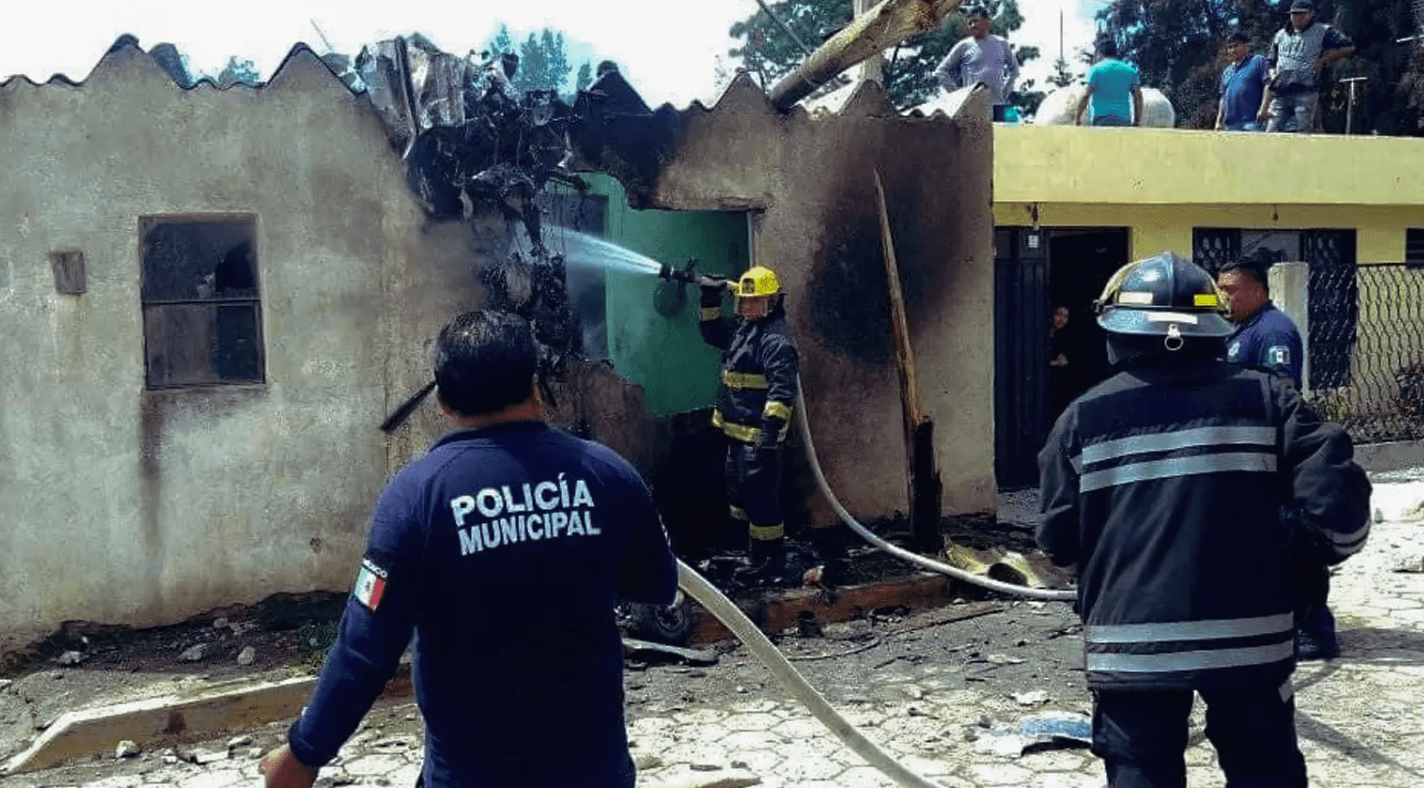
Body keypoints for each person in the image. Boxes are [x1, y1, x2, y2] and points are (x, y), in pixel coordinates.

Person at [260, 310, 678, 788]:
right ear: (535, 388)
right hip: (595, 773)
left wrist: (304, 753)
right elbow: (657, 585)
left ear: (442, 401)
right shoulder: (608, 475)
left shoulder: (416, 497)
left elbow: (365, 648)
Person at [1038, 252, 1371, 788]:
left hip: (1131, 647)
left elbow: (1058, 541)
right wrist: (1297, 563)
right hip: (1252, 641)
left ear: (1118, 334)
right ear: (1216, 329)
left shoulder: (1081, 419)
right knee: (1265, 773)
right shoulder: (1269, 400)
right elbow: (1340, 514)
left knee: (1141, 774)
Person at [1216, 255, 1339, 660]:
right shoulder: (1240, 329)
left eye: (1230, 289)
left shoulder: (1273, 330)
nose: (1223, 297)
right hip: (1247, 451)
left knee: (1293, 541)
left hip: (1273, 452)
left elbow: (1282, 393)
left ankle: (1315, 630)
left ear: (1256, 290)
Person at [700, 265, 800, 585]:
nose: (746, 306)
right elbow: (712, 333)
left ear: (771, 302)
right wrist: (709, 298)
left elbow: (781, 395)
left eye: (753, 301)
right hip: (736, 435)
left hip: (758, 439)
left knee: (760, 501)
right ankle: (748, 552)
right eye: (743, 300)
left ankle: (769, 559)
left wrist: (768, 437)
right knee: (739, 497)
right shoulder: (743, 329)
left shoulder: (775, 341)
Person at [1257, 0, 1355, 133]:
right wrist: (1273, 75)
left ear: (1311, 14)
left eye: (1302, 14)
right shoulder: (1280, 35)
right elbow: (1271, 61)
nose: (1297, 17)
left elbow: (1348, 46)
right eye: (1294, 14)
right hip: (1281, 91)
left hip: (1306, 89)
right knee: (1272, 130)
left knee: (1304, 130)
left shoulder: (1322, 31)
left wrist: (1324, 60)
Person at [932, 4, 1021, 122]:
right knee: (977, 133)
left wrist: (1006, 90)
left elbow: (1015, 70)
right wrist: (958, 96)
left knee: (1016, 127)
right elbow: (940, 71)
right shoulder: (964, 45)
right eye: (970, 23)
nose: (973, 25)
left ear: (987, 21)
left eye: (976, 21)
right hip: (973, 107)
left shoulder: (1002, 43)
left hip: (999, 103)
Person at [1075, 39, 1143, 127]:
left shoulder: (1094, 70)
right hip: (1124, 118)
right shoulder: (1131, 71)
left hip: (1100, 118)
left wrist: (1078, 118)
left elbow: (1085, 95)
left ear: (1100, 53)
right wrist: (1137, 120)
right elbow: (1138, 96)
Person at [1216, 30, 1270, 131]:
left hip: (1252, 121)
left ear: (1246, 46)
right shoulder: (1227, 71)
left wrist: (1264, 109)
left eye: (1236, 46)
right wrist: (1219, 121)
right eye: (1230, 47)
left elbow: (1268, 85)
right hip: (1230, 124)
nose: (1232, 50)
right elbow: (1223, 98)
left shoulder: (1257, 61)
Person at [1049, 305, 1074, 417]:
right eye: (1058, 315)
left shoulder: (1063, 336)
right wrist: (1055, 363)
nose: (1061, 319)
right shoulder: (1042, 334)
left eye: (1065, 317)